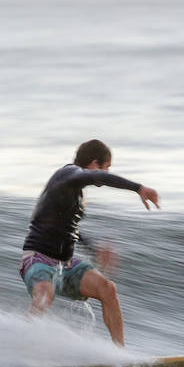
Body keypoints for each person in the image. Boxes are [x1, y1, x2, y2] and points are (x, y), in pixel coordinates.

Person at [19, 140, 160, 347]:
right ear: (95, 164)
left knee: (107, 288)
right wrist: (138, 188)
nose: (106, 174)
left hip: (64, 266)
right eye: (107, 167)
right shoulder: (68, 174)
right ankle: (18, 347)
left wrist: (93, 251)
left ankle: (119, 356)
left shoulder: (73, 192)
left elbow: (66, 228)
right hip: (37, 260)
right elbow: (97, 177)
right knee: (44, 295)